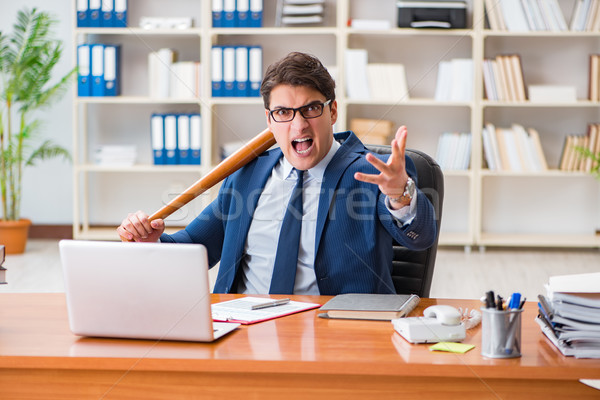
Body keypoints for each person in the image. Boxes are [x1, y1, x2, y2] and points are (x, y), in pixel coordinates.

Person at [117, 52, 437, 295]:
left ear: (333, 111)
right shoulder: (247, 174)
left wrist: (400, 193)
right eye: (284, 112)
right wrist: (155, 242)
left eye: (311, 109)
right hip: (243, 333)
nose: (298, 125)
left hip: (336, 336)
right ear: (269, 120)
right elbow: (196, 248)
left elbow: (421, 237)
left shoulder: (374, 172)